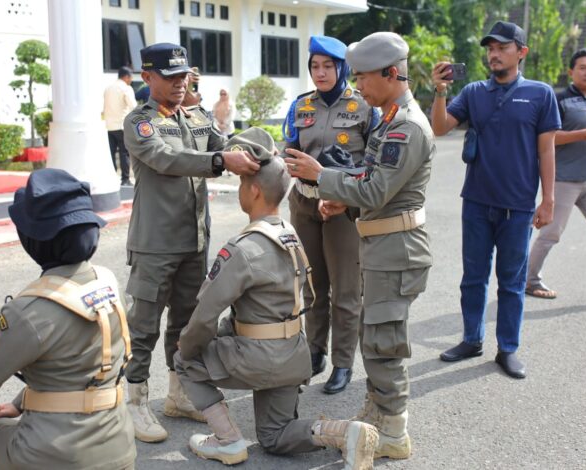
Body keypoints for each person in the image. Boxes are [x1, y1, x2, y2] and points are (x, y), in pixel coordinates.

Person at [174, 128, 379, 468]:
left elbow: (204, 317)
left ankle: (227, 440)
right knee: (274, 436)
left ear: (253, 191)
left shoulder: (242, 249)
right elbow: (310, 297)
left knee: (184, 358)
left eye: (242, 185)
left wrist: (187, 347)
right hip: (292, 356)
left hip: (257, 357)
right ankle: (345, 432)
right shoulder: (290, 235)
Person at [285, 31, 434, 460]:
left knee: (384, 344)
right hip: (380, 242)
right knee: (376, 339)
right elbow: (368, 182)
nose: (360, 85)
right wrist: (340, 203)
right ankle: (379, 412)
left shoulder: (405, 126)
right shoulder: (388, 117)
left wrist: (320, 176)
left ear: (391, 74)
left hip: (396, 249)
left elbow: (373, 189)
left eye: (365, 77)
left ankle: (393, 432)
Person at [121, 42, 260, 443]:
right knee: (144, 325)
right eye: (170, 76)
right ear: (148, 78)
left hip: (194, 241)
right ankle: (135, 401)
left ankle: (178, 394)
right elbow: (167, 159)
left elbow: (224, 145)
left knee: (186, 322)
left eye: (184, 76)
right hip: (154, 243)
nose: (180, 83)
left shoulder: (197, 116)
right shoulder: (140, 123)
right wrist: (220, 162)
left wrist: (255, 152)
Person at [0, 168, 136, 470]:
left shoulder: (29, 312)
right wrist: (20, 402)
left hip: (55, 457)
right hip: (119, 445)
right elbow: (83, 373)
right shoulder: (108, 283)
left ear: (34, 240)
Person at [431, 21, 561, 379]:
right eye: (490, 48)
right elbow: (440, 128)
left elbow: (547, 149)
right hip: (476, 201)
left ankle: (508, 348)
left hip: (518, 206)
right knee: (473, 278)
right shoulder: (474, 92)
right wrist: (440, 91)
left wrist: (548, 200)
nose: (494, 54)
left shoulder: (540, 94)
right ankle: (472, 339)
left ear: (521, 52)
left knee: (512, 282)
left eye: (502, 47)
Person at [282, 35, 377, 395]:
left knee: (346, 290)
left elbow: (373, 163)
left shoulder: (363, 106)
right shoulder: (300, 106)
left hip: (344, 209)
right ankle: (315, 350)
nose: (320, 73)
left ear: (342, 68)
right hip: (305, 204)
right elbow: (289, 148)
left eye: (328, 66)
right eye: (314, 66)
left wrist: (338, 189)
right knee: (312, 284)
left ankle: (342, 362)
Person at [524, 48, 586, 305]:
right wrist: (584, 134)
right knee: (550, 233)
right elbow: (545, 138)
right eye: (582, 67)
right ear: (571, 72)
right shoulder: (559, 100)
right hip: (563, 180)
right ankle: (529, 280)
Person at [103, 66, 137, 186]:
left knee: (111, 153)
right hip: (122, 125)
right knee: (124, 153)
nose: (131, 80)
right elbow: (133, 107)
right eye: (131, 77)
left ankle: (111, 178)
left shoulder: (108, 88)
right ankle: (125, 179)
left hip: (109, 126)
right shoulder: (126, 88)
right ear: (126, 77)